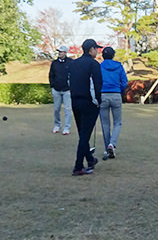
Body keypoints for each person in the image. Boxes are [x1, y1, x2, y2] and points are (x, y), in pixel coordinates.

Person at [68, 39, 103, 176]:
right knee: (85, 135)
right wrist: (98, 101)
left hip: (75, 101)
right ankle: (78, 166)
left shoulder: (73, 64)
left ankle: (90, 159)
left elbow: (69, 82)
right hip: (89, 102)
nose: (97, 51)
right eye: (96, 49)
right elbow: (96, 85)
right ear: (91, 49)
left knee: (83, 132)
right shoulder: (93, 65)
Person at [99, 46, 128, 159]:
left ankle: (107, 147)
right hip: (115, 94)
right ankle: (112, 144)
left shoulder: (100, 66)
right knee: (117, 122)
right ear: (113, 55)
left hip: (103, 95)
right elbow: (124, 81)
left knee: (105, 124)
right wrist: (120, 91)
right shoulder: (119, 66)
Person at [49, 45, 72, 135]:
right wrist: (52, 86)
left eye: (61, 52)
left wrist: (71, 87)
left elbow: (73, 75)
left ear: (65, 53)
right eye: (59, 51)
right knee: (56, 109)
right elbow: (51, 75)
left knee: (67, 109)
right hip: (56, 90)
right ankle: (57, 125)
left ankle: (67, 127)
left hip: (67, 90)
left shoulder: (71, 62)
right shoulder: (54, 63)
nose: (59, 53)